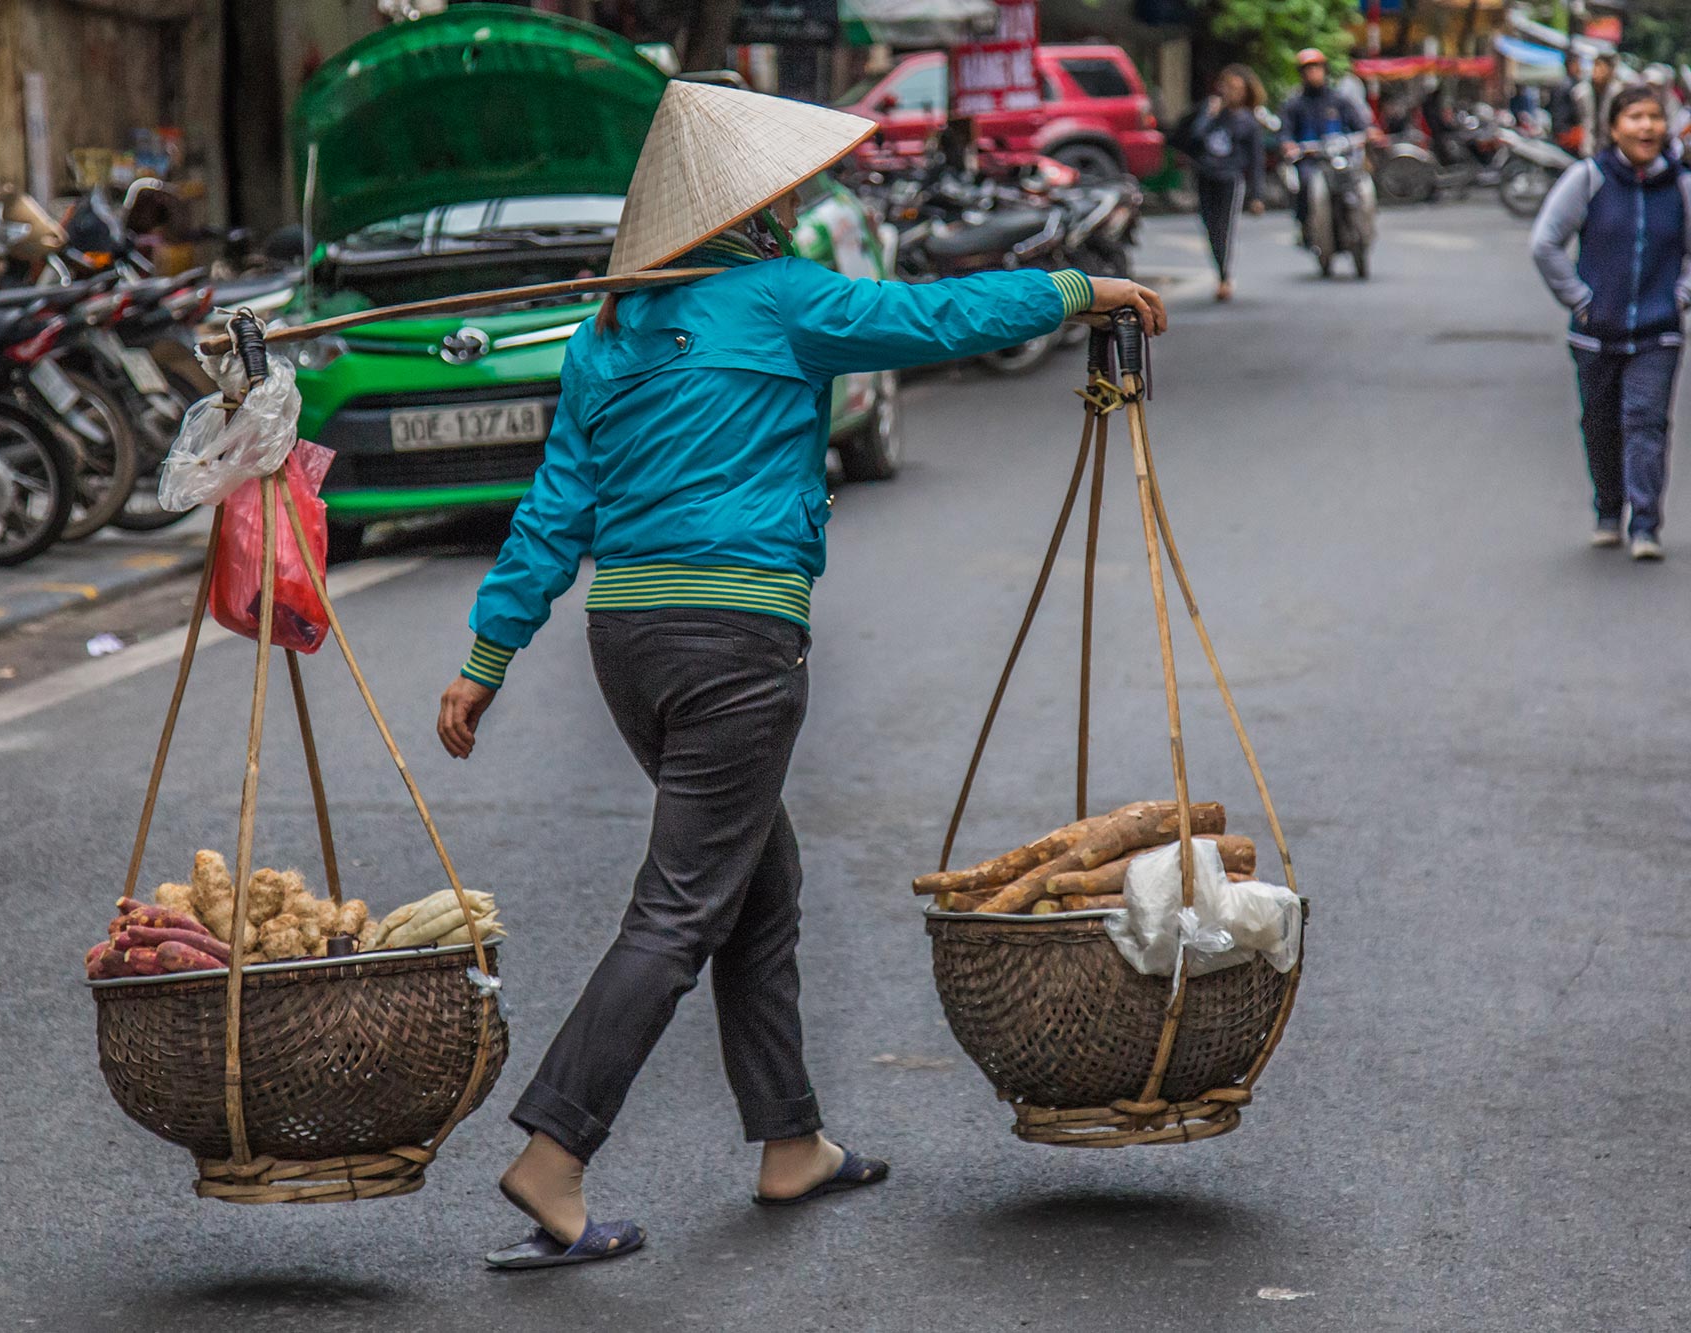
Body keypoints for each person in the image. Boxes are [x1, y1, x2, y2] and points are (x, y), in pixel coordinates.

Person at [434, 80, 1166, 1270]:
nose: (788, 203)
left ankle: (789, 1140)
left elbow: (552, 509)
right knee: (679, 910)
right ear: (742, 211)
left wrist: (486, 656)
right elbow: (932, 322)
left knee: (754, 884)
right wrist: (1081, 289)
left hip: (629, 645)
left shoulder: (604, 336)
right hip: (735, 645)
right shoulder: (778, 300)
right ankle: (552, 1154)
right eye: (774, 191)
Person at [1531, 84, 1691, 561]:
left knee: (1646, 423)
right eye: (1635, 117)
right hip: (1595, 333)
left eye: (1654, 118)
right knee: (1599, 424)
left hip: (1658, 332)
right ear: (1614, 127)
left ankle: (1645, 524)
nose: (1646, 127)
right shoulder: (1588, 179)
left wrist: (1680, 294)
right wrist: (1579, 299)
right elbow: (1545, 243)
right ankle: (1608, 509)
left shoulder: (1681, 185)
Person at [1188, 64, 1267, 301]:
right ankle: (1220, 270)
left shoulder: (1248, 121)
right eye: (1228, 86)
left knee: (1224, 228)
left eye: (1236, 88)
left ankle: (1224, 276)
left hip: (1230, 179)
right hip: (1206, 175)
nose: (1231, 92)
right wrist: (1209, 116)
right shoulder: (1211, 112)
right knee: (1209, 227)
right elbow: (1194, 138)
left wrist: (1257, 196)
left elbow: (1256, 161)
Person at [1281, 49, 1370, 235]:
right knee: (1304, 183)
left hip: (1338, 157)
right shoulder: (1294, 104)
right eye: (1308, 70)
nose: (1313, 73)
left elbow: (1359, 125)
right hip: (1310, 161)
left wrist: (1368, 134)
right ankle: (1306, 225)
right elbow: (1285, 133)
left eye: (1317, 68)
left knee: (1356, 181)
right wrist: (1289, 145)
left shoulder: (1339, 100)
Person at [1550, 51, 1589, 155]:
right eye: (1578, 64)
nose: (1580, 68)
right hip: (1567, 132)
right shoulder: (1570, 86)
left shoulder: (1563, 83)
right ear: (1571, 65)